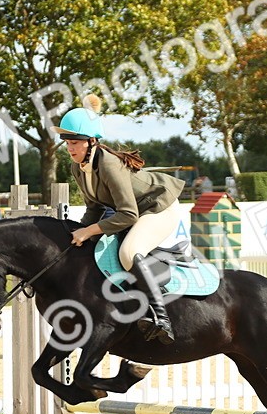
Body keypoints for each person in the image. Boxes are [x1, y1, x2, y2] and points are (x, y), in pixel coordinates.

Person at [57, 95, 184, 345]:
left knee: (129, 252)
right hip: (134, 212)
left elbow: (128, 214)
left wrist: (89, 230)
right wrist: (80, 232)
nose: (70, 148)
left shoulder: (110, 165)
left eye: (74, 143)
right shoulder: (78, 166)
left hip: (159, 207)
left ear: (92, 142)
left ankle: (162, 318)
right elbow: (94, 208)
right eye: (67, 144)